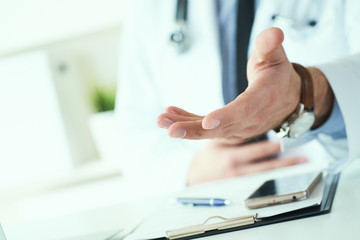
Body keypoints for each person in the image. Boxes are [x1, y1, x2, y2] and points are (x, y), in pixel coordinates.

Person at [114, 0, 353, 194]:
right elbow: (134, 137)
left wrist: (312, 91)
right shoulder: (149, 8)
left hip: (340, 195)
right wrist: (188, 171)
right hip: (219, 213)